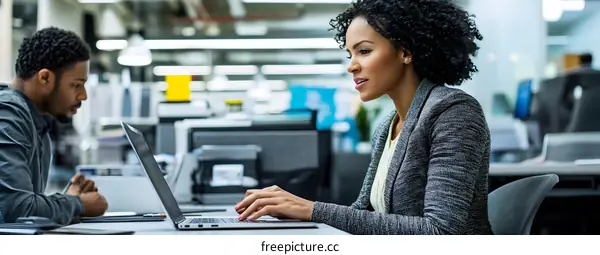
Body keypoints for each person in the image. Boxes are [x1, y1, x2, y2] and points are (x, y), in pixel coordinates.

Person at [235, 0, 493, 235]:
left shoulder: (454, 111)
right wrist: (289, 212)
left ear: (405, 52)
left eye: (364, 51)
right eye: (350, 54)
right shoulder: (387, 127)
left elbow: (441, 232)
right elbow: (363, 214)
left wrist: (311, 209)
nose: (352, 65)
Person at [0, 27, 108, 224]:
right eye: (76, 85)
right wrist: (78, 204)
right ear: (45, 78)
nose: (83, 96)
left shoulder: (37, 124)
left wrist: (70, 200)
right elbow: (17, 210)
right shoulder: (8, 114)